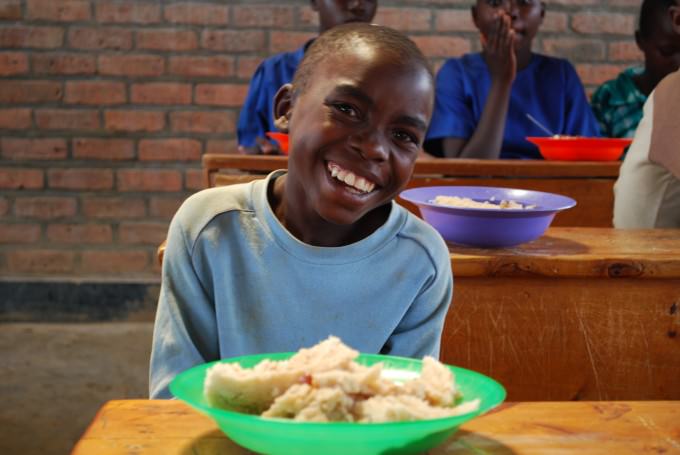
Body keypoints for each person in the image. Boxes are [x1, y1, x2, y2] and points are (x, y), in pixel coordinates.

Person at [150, 23, 453, 399]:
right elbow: (175, 399)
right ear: (285, 109)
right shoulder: (209, 229)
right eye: (347, 109)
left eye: (404, 135)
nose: (375, 148)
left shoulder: (420, 259)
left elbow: (407, 408)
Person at [424, 0, 600, 159]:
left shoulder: (562, 74)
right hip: (478, 192)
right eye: (494, 2)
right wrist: (501, 81)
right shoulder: (456, 73)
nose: (510, 12)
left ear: (542, 14)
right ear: (475, 16)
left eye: (524, 2)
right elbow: (466, 172)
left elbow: (584, 160)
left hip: (551, 191)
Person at [237, 0, 378, 155]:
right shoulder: (274, 72)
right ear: (315, 2)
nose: (357, 5)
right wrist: (267, 159)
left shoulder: (387, 79)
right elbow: (250, 147)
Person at [592, 0, 680, 140]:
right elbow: (594, 160)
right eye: (666, 51)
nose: (677, 63)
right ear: (640, 41)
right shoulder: (610, 98)